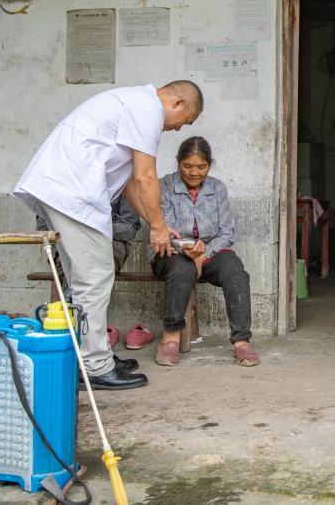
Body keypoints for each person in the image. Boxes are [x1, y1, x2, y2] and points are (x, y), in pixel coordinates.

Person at [15, 81, 202, 390]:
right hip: (71, 191)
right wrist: (157, 227)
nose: (179, 128)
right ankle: (95, 366)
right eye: (186, 120)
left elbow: (129, 184)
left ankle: (90, 355)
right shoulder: (148, 110)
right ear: (178, 104)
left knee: (84, 280)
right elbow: (145, 177)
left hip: (61, 188)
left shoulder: (133, 105)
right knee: (95, 277)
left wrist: (156, 222)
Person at [149, 136, 260, 368]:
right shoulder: (165, 186)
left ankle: (242, 341)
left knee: (235, 271)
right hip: (171, 252)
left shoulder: (217, 188)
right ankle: (170, 339)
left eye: (201, 167)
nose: (194, 172)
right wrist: (186, 249)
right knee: (183, 267)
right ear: (178, 163)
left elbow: (227, 232)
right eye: (187, 166)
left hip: (209, 252)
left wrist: (204, 254)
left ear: (209, 165)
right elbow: (163, 229)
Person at [36, 197, 142, 278]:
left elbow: (130, 226)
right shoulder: (60, 179)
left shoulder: (122, 179)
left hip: (107, 247)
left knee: (90, 271)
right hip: (67, 247)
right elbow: (43, 227)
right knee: (74, 267)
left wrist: (95, 230)